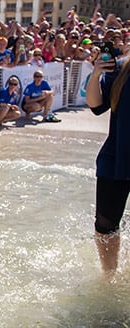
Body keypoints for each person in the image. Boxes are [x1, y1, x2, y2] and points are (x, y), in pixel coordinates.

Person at [86, 45, 130, 278]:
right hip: (117, 158)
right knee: (105, 225)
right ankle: (109, 276)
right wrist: (96, 74)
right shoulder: (121, 67)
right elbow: (96, 106)